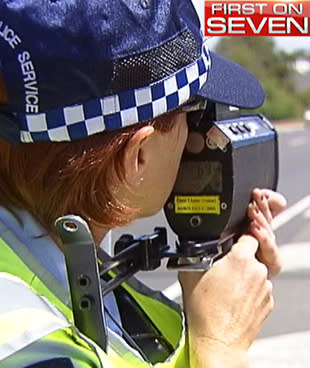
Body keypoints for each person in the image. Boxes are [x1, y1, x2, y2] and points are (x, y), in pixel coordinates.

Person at [0, 1, 287, 367]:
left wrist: (222, 286)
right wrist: (221, 344)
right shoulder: (31, 349)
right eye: (194, 111)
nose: (195, 136)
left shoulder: (68, 266)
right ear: (139, 155)